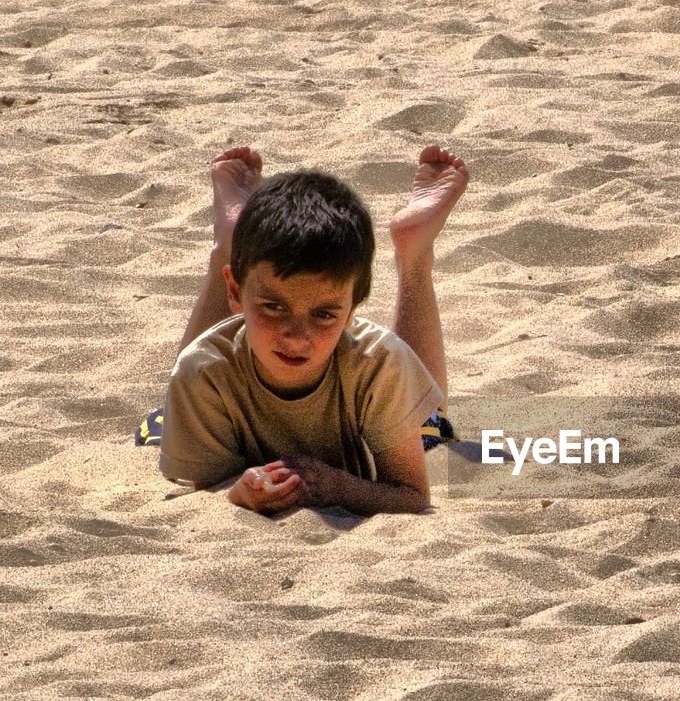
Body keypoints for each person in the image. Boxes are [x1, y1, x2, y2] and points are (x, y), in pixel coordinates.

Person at [148, 144, 468, 516]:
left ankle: (414, 256)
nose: (296, 336)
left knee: (431, 425)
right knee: (162, 421)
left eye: (324, 315)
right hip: (216, 370)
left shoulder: (378, 363)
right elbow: (197, 490)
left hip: (370, 415)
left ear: (351, 311)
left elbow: (411, 496)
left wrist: (337, 487)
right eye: (274, 308)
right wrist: (236, 494)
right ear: (232, 291)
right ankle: (227, 244)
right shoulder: (202, 371)